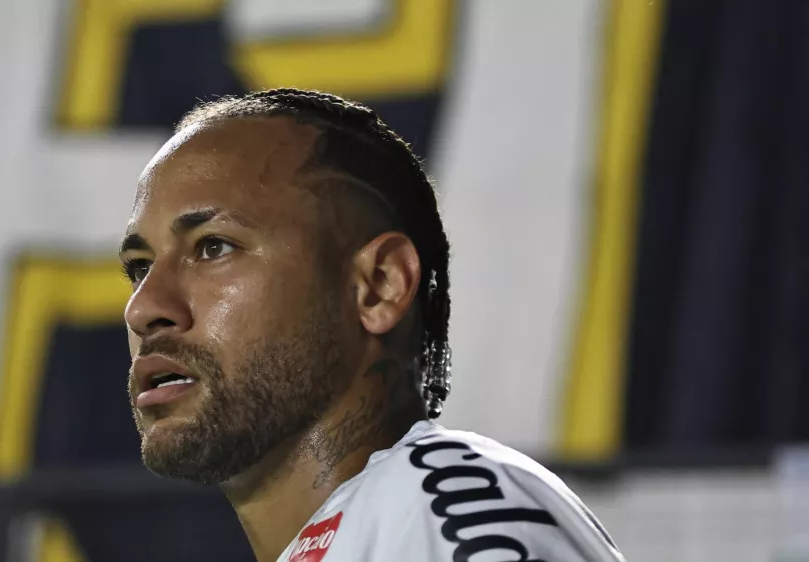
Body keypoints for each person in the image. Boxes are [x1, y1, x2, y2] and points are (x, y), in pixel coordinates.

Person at [120, 88, 624, 562]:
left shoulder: (442, 504)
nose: (142, 308)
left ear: (379, 285)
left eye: (213, 247)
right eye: (140, 267)